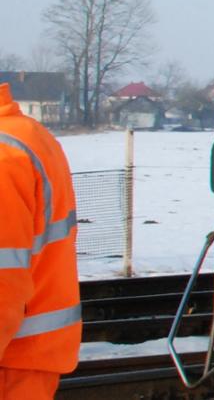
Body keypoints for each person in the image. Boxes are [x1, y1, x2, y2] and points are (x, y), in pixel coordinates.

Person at [0, 82, 81, 399]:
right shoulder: (27, 136)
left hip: (11, 367)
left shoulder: (5, 155)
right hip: (26, 361)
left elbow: (4, 282)